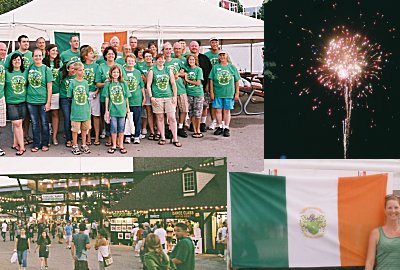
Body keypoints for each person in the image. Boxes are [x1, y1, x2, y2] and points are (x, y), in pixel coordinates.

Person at [146, 53, 181, 147]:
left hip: (169, 97)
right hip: (157, 98)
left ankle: (175, 138)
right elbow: (148, 85)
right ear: (156, 61)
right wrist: (151, 97)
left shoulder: (168, 70)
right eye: (158, 59)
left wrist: (174, 96)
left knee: (172, 118)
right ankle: (162, 137)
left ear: (164, 60)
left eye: (162, 59)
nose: (161, 61)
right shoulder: (152, 70)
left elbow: (173, 83)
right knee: (160, 118)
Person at [27, 48, 52, 152]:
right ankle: (36, 143)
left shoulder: (46, 69)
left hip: (42, 100)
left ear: (42, 57)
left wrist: (48, 102)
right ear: (32, 57)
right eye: (36, 56)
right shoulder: (29, 68)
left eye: (39, 55)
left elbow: (49, 87)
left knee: (45, 123)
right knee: (34, 123)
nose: (37, 57)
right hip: (31, 101)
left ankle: (45, 143)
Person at [209, 51, 240, 137]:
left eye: (223, 55)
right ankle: (219, 126)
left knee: (227, 110)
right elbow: (211, 80)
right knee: (218, 110)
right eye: (220, 55)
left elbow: (237, 81)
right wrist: (211, 92)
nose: (222, 56)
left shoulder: (232, 67)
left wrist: (237, 93)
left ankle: (226, 127)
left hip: (229, 93)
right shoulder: (215, 67)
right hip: (218, 93)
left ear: (226, 56)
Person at [365, 195, 400, 270]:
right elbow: (370, 262)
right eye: (389, 208)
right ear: (385, 210)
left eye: (396, 207)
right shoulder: (376, 233)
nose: (393, 211)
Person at [103, 65, 131, 154]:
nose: (116, 74)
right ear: (111, 73)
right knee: (113, 127)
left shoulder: (123, 83)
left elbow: (126, 97)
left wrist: (128, 108)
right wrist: (106, 110)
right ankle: (114, 144)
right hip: (113, 109)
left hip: (122, 109)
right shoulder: (108, 84)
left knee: (121, 127)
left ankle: (121, 144)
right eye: (114, 72)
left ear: (120, 73)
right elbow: (107, 97)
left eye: (117, 72)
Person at [163, 42, 188, 138]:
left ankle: (181, 127)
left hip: (180, 89)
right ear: (163, 51)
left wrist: (180, 74)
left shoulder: (177, 61)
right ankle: (169, 128)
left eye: (170, 49)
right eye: (166, 49)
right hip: (168, 90)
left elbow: (186, 71)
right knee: (170, 111)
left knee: (184, 109)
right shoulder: (162, 62)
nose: (168, 51)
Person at [4, 53, 27, 155]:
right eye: (14, 60)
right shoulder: (7, 73)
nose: (17, 61)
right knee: (17, 123)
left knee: (19, 123)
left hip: (22, 101)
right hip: (11, 102)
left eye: (18, 60)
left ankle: (15, 143)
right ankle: (22, 147)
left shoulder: (25, 72)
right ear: (11, 62)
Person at [67, 62, 91, 155]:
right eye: (80, 70)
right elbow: (69, 95)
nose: (82, 72)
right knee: (75, 129)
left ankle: (84, 144)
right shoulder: (72, 82)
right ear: (76, 71)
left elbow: (87, 94)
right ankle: (75, 145)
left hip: (85, 110)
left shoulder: (85, 82)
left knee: (85, 128)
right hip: (76, 110)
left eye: (83, 70)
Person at [189, 41, 212, 133]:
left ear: (199, 47)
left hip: (203, 86)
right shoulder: (187, 58)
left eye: (196, 46)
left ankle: (202, 123)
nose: (194, 47)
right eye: (192, 46)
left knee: (204, 106)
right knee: (192, 107)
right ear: (190, 47)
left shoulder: (204, 58)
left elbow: (209, 73)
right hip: (191, 88)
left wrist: (207, 85)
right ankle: (193, 124)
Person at [124, 53, 145, 144]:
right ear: (126, 62)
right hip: (126, 100)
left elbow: (141, 86)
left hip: (137, 99)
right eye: (129, 61)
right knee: (127, 119)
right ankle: (128, 135)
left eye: (132, 61)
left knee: (137, 118)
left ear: (135, 62)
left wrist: (144, 97)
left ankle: (136, 135)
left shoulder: (137, 72)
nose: (130, 62)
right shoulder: (123, 72)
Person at [81, 46, 101, 146]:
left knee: (96, 116)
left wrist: (97, 91)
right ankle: (88, 137)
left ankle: (96, 137)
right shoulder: (82, 66)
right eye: (90, 53)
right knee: (87, 116)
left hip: (94, 93)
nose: (93, 55)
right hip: (84, 94)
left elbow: (98, 80)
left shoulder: (96, 66)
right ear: (85, 56)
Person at [43, 44, 61, 145]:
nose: (55, 52)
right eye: (53, 50)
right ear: (48, 52)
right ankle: (46, 136)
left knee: (55, 114)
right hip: (44, 93)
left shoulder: (59, 63)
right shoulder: (43, 63)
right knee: (45, 115)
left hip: (56, 92)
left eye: (56, 51)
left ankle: (54, 137)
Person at [137, 49, 155, 140]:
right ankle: (152, 131)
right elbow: (143, 80)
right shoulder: (140, 66)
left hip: (155, 91)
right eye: (146, 56)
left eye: (150, 56)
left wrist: (146, 78)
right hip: (146, 90)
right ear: (144, 58)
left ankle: (157, 130)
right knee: (149, 112)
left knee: (157, 112)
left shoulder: (155, 66)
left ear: (152, 57)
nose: (148, 58)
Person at [185, 53, 204, 138]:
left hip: (198, 93)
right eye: (190, 60)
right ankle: (194, 129)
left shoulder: (198, 70)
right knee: (191, 112)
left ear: (195, 60)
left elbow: (198, 82)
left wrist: (187, 80)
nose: (191, 61)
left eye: (193, 60)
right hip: (189, 93)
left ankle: (198, 128)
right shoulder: (187, 69)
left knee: (198, 112)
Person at [204, 37, 221, 130]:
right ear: (210, 44)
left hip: (221, 82)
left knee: (220, 102)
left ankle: (221, 122)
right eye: (212, 42)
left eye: (216, 42)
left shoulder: (223, 54)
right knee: (211, 102)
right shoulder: (206, 55)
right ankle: (213, 120)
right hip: (210, 81)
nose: (214, 44)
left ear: (218, 43)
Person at [0, 42, 6, 156]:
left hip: (1, 96)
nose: (3, 52)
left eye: (4, 50)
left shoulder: (2, 63)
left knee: (1, 124)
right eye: (1, 50)